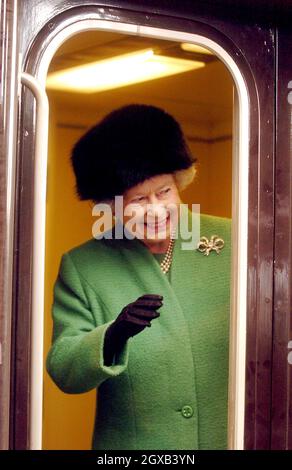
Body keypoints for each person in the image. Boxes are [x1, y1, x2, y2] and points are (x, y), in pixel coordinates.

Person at [46, 104, 231, 450]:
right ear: (112, 207)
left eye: (164, 192)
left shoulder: (236, 240)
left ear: (180, 183)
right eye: (139, 200)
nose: (156, 210)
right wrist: (111, 337)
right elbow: (64, 368)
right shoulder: (83, 265)